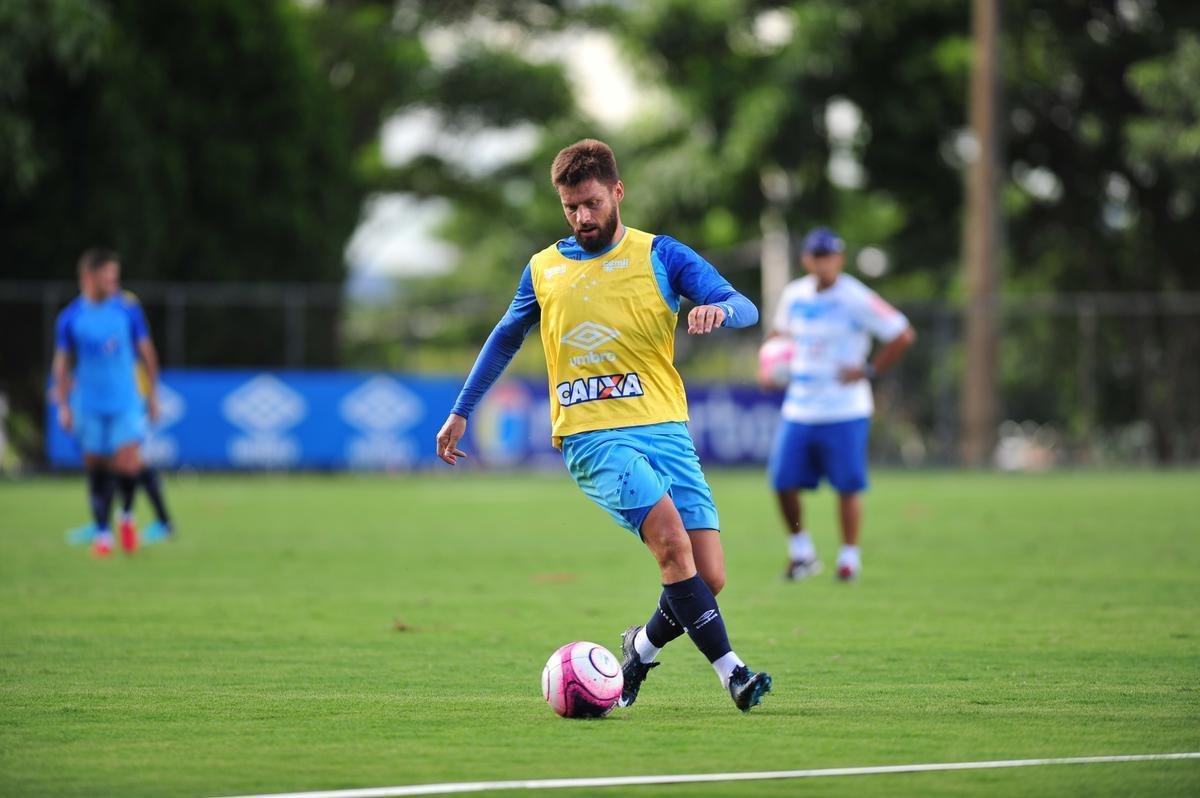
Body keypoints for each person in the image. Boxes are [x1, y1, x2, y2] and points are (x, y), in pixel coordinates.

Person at [436, 139, 772, 712]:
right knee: (671, 544)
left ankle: (637, 652)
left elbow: (746, 305)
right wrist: (461, 410)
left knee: (705, 577)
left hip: (665, 428)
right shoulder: (544, 269)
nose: (582, 217)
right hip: (592, 437)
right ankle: (734, 673)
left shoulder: (660, 255)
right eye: (570, 208)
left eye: (591, 203)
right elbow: (504, 338)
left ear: (617, 192)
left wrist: (719, 309)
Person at [764, 227, 915, 582]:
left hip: (844, 408)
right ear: (806, 259)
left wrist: (869, 370)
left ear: (839, 259)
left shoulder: (855, 297)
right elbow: (778, 337)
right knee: (783, 480)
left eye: (829, 255)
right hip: (800, 406)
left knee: (847, 484)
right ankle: (802, 552)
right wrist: (768, 366)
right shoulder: (795, 295)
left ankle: (849, 557)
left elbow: (902, 333)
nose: (823, 262)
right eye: (816, 255)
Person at [53, 249, 168, 556]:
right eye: (107, 276)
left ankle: (126, 516)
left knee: (128, 464)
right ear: (89, 277)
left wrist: (153, 397)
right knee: (95, 466)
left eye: (115, 276)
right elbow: (62, 364)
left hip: (126, 401)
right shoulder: (70, 317)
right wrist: (63, 405)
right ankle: (103, 535)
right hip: (88, 403)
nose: (113, 281)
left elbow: (147, 353)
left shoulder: (127, 310)